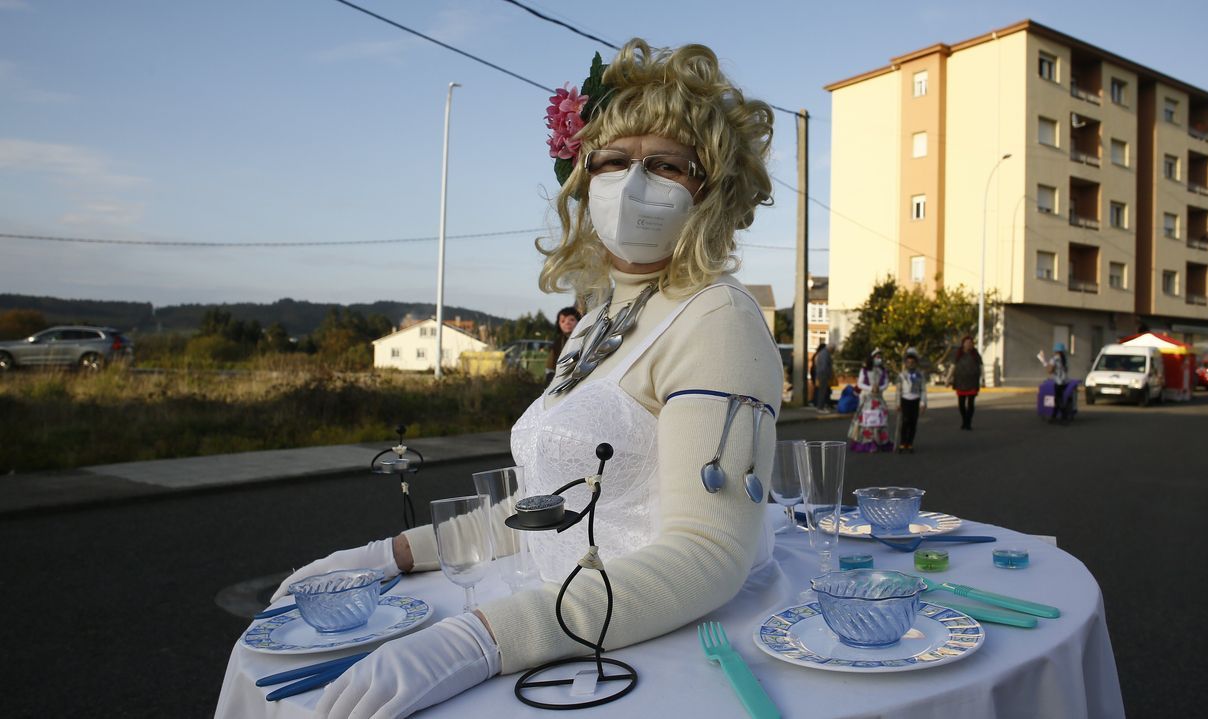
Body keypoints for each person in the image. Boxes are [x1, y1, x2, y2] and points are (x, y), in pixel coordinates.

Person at [265, 39, 780, 719]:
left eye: (664, 165)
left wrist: (483, 638)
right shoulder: (601, 319)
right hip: (569, 625)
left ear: (709, 187)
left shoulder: (717, 318)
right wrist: (392, 553)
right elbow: (551, 510)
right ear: (583, 175)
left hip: (646, 656)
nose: (632, 182)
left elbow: (707, 556)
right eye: (614, 160)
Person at [848, 348, 893, 452]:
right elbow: (860, 383)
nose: (879, 359)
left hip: (879, 399)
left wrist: (879, 388)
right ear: (872, 358)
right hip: (867, 400)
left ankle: (879, 442)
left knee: (880, 421)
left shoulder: (883, 371)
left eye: (880, 357)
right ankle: (868, 442)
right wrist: (870, 388)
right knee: (868, 421)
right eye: (877, 357)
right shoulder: (864, 370)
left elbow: (886, 383)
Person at [895, 347, 927, 453]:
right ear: (905, 363)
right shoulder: (901, 375)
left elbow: (923, 389)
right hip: (905, 399)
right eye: (908, 362)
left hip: (915, 399)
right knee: (905, 421)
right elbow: (898, 391)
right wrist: (898, 403)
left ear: (916, 363)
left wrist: (923, 403)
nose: (910, 364)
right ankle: (903, 442)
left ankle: (910, 443)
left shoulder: (920, 375)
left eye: (913, 362)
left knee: (913, 423)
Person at [950, 335, 983, 430]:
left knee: (971, 403)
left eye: (970, 343)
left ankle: (968, 423)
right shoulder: (958, 354)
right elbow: (953, 367)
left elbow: (981, 367)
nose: (969, 344)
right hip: (960, 382)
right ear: (963, 344)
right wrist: (948, 379)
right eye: (967, 343)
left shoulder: (976, 354)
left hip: (972, 382)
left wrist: (982, 379)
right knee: (961, 404)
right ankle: (964, 420)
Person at [544, 306, 582, 385]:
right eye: (563, 321)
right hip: (561, 381)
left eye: (572, 319)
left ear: (579, 321)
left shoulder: (584, 337)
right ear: (558, 324)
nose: (567, 323)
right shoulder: (557, 343)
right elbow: (550, 367)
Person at [1042, 341, 1070, 423]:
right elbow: (1066, 370)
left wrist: (1044, 362)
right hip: (1065, 382)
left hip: (1058, 382)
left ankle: (1063, 417)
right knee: (1058, 399)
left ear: (1056, 351)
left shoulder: (1054, 359)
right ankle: (1054, 417)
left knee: (1058, 400)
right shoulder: (1064, 360)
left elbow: (1049, 371)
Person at [812, 342, 833, 412]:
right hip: (823, 375)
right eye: (833, 349)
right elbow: (824, 366)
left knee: (821, 391)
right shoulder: (825, 354)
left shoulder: (822, 353)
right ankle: (820, 407)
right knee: (822, 391)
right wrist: (828, 375)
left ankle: (820, 406)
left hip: (820, 374)